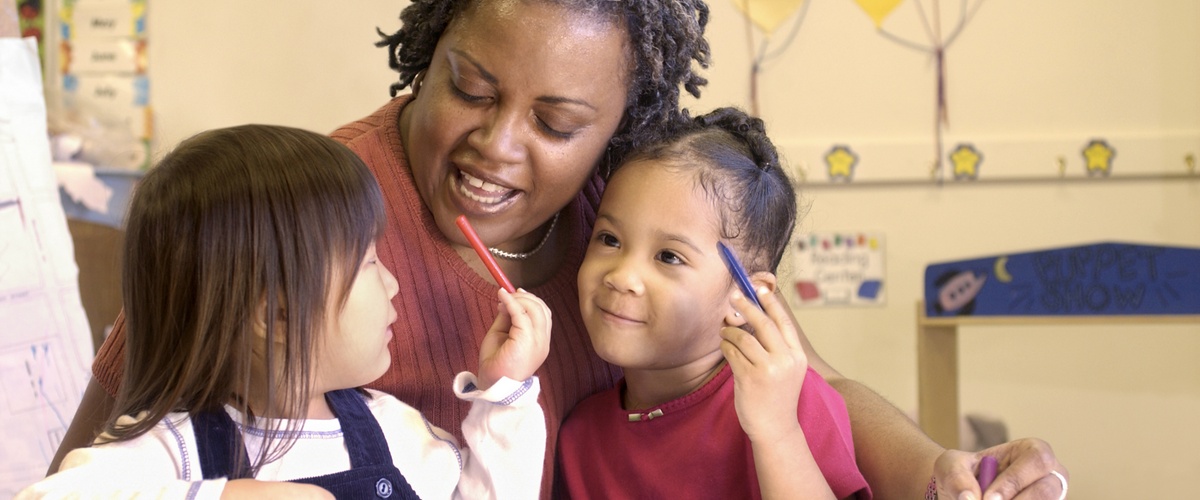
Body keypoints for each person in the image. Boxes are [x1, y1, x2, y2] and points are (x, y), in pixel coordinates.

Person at [51, 0, 1068, 498]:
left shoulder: (637, 206)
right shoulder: (305, 217)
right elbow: (105, 445)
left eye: (558, 121)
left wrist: (941, 468)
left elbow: (813, 385)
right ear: (426, 50)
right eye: (470, 87)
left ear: (622, 124)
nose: (498, 146)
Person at [22, 125, 551, 499]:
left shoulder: (396, 433)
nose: (392, 285)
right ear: (275, 316)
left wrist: (504, 395)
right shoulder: (171, 447)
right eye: (369, 262)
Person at [556, 108, 869, 499]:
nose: (621, 276)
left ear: (744, 297)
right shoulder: (578, 437)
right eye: (609, 239)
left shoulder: (790, 400)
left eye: (668, 257)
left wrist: (777, 432)